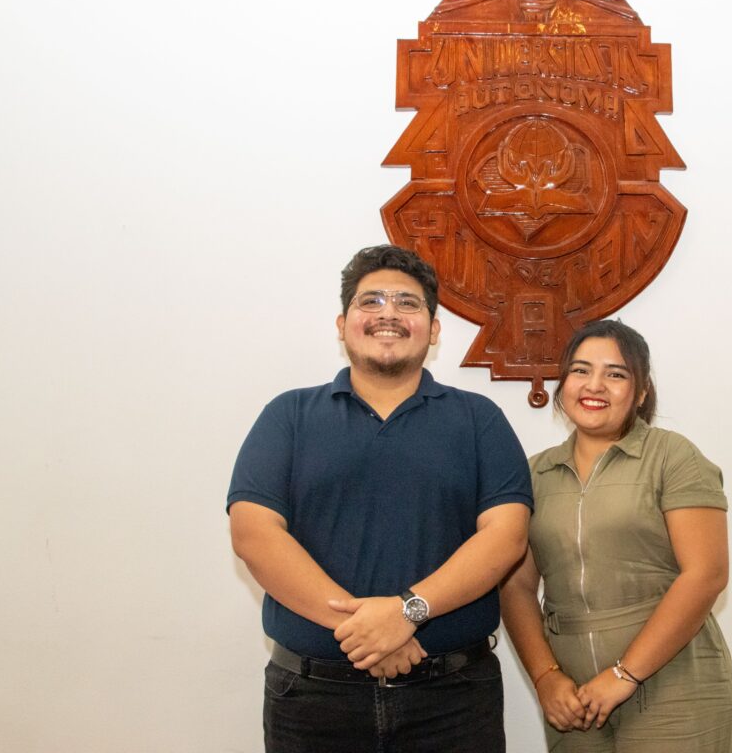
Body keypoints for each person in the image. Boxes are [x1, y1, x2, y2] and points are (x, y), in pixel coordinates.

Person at [228, 244, 532, 753]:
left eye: (408, 303)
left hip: (453, 704)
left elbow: (506, 537)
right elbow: (254, 535)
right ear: (343, 322)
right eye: (372, 302)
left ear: (433, 330)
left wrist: (407, 611)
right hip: (312, 701)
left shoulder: (480, 420)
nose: (388, 313)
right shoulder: (289, 416)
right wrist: (371, 630)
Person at [500, 319, 732, 752]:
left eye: (616, 373)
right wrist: (545, 678)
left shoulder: (672, 456)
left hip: (675, 685)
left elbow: (706, 574)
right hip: (573, 699)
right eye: (580, 370)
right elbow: (515, 586)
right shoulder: (532, 473)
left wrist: (624, 675)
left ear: (641, 391)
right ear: (562, 383)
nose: (595, 385)